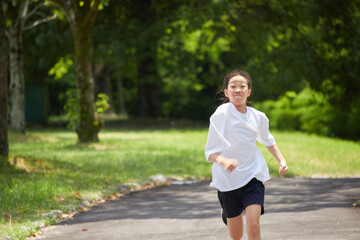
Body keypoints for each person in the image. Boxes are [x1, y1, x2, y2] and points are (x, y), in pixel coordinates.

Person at [205, 69, 288, 240]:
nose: (238, 90)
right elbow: (211, 152)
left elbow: (268, 140)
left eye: (242, 86)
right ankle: (227, 213)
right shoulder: (221, 114)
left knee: (253, 224)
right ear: (226, 92)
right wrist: (224, 161)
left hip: (252, 175)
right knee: (236, 236)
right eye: (233, 86)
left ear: (248, 91)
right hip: (227, 181)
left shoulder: (258, 117)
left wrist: (281, 160)